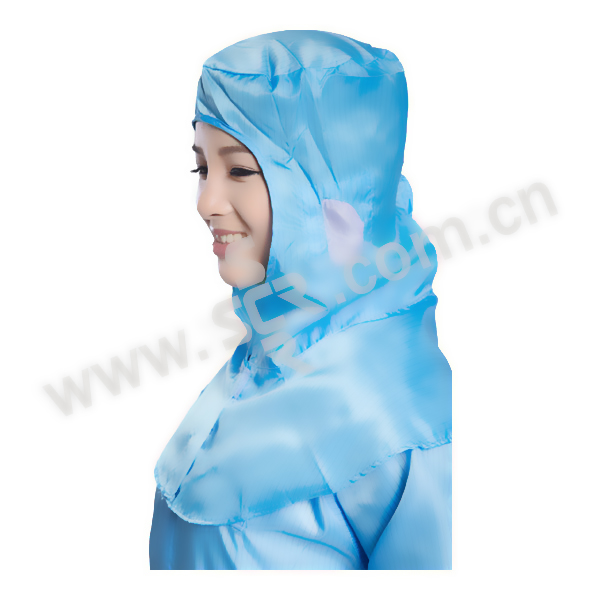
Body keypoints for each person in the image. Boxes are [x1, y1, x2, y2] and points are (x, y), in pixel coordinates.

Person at [149, 29, 452, 570]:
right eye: (202, 168)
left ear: (333, 191)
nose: (206, 201)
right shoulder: (263, 362)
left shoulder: (406, 424)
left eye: (240, 170)